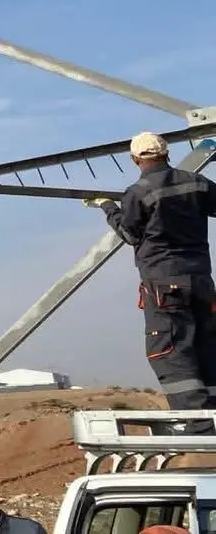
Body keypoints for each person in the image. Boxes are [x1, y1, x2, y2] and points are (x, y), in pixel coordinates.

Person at [85, 131, 216, 420]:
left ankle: (199, 425)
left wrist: (107, 206)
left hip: (164, 283)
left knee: (172, 351)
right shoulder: (196, 182)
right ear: (166, 154)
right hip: (202, 281)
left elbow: (129, 233)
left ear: (135, 159)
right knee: (207, 346)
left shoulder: (139, 192)